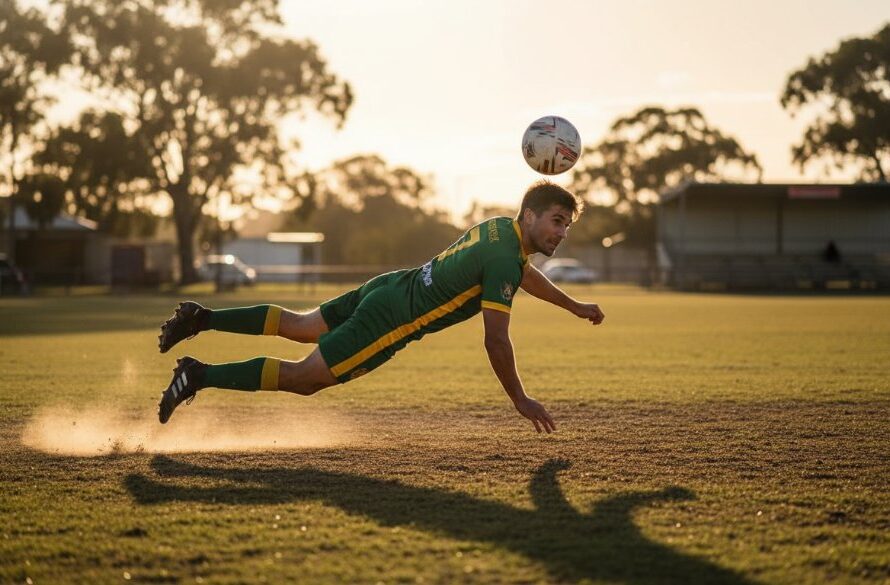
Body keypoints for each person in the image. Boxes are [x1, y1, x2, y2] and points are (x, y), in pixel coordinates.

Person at [157, 181, 605, 432]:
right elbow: (496, 340)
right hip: (390, 320)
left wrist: (573, 305)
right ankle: (198, 374)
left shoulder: (499, 230)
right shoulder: (507, 258)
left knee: (298, 325)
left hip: (391, 284)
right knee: (302, 379)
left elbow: (521, 273)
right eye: (556, 221)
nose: (561, 232)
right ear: (530, 215)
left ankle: (202, 318)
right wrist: (519, 398)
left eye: (566, 224)